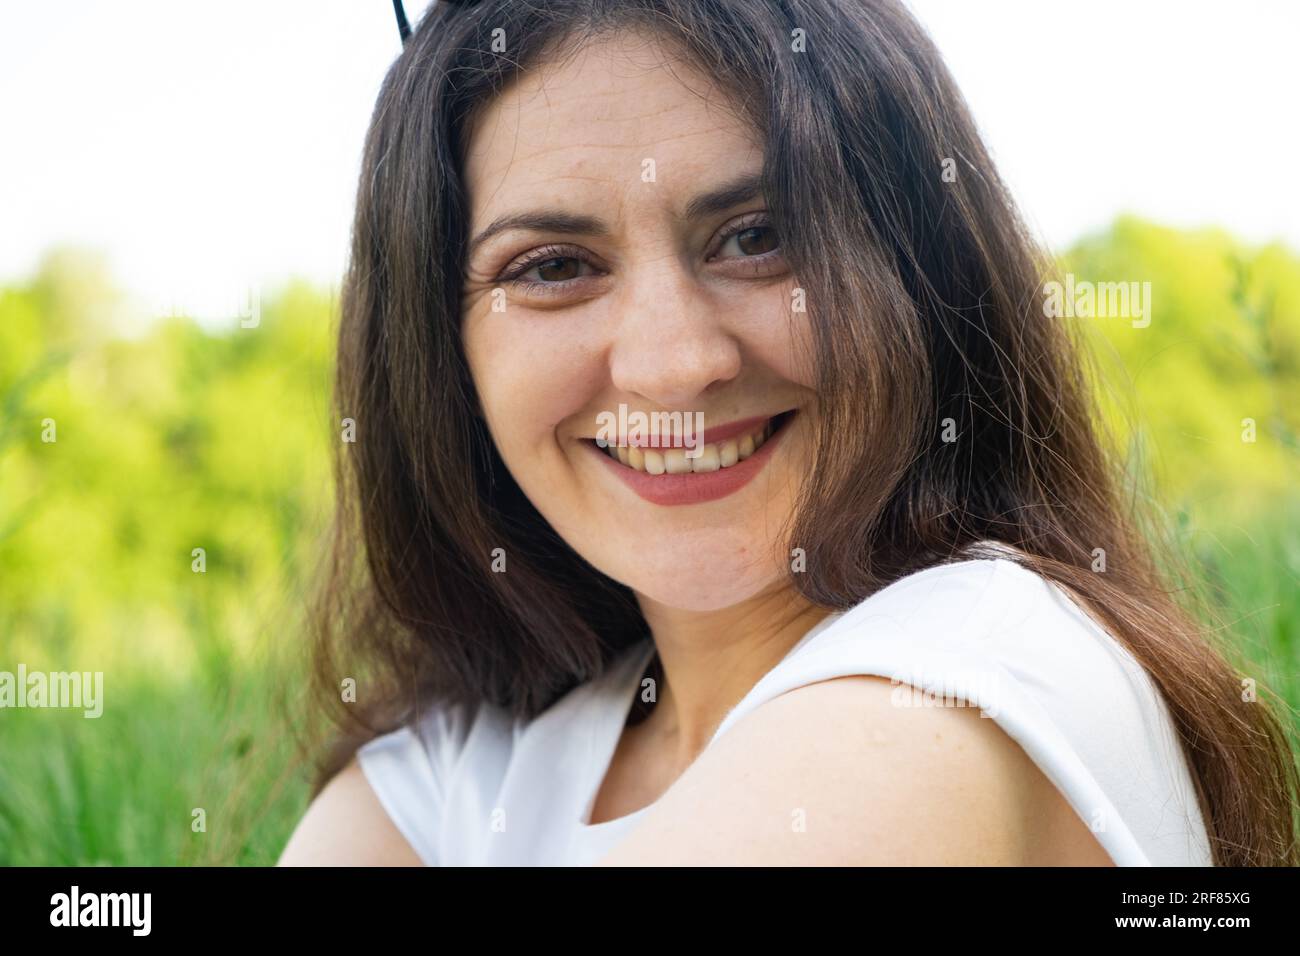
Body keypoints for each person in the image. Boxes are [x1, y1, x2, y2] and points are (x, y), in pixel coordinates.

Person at [278, 0, 1297, 866]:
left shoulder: (968, 669)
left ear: (912, 268)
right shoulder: (461, 768)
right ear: (441, 348)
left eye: (758, 237)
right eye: (552, 266)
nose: (674, 362)